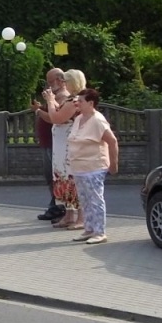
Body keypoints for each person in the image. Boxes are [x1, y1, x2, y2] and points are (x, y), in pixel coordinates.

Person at [66, 87, 119, 244]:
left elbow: (112, 142)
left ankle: (99, 232)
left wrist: (114, 164)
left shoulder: (98, 120)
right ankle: (89, 229)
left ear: (90, 103)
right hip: (79, 168)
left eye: (80, 101)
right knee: (85, 200)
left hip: (94, 167)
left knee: (95, 199)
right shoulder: (78, 119)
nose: (77, 104)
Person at [39, 69, 87, 231]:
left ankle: (81, 217)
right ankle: (69, 214)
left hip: (69, 147)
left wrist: (50, 100)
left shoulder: (75, 100)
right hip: (61, 146)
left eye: (66, 81)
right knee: (63, 179)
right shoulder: (72, 99)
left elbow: (56, 118)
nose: (63, 84)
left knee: (73, 180)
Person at [32, 68, 66, 221]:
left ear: (59, 80)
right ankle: (55, 205)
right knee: (50, 176)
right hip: (48, 141)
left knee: (55, 176)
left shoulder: (62, 97)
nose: (48, 85)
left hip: (55, 143)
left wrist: (39, 111)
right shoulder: (54, 97)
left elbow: (54, 118)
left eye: (50, 82)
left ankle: (59, 207)